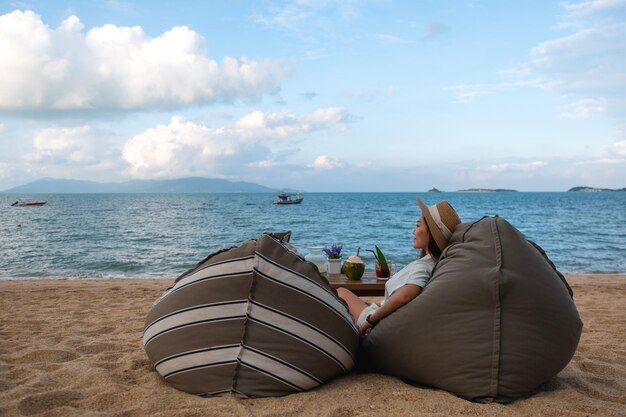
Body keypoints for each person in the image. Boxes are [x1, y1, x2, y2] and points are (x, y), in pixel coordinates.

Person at [337, 198, 461, 336]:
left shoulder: (423, 267)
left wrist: (369, 321)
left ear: (431, 233)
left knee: (340, 293)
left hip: (378, 325)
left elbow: (405, 296)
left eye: (418, 225)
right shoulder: (434, 263)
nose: (413, 232)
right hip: (382, 317)